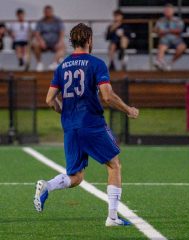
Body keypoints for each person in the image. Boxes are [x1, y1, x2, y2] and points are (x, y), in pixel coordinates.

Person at [33, 23, 139, 227]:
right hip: (91, 123)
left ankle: (48, 186)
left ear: (72, 41)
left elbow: (49, 100)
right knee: (114, 165)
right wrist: (129, 110)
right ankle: (113, 217)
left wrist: (62, 110)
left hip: (70, 126)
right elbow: (107, 96)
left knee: (77, 176)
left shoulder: (62, 66)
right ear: (89, 40)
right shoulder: (96, 63)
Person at [154, 4, 186, 71]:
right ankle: (159, 62)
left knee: (182, 47)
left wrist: (166, 31)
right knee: (162, 46)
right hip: (165, 39)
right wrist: (168, 31)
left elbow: (179, 30)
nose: (168, 12)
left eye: (169, 10)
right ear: (164, 12)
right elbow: (157, 30)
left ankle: (169, 63)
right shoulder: (160, 20)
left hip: (176, 39)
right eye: (166, 10)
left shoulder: (177, 20)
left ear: (173, 11)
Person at [33, 5, 65, 71]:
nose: (47, 13)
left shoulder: (58, 20)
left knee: (62, 46)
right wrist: (41, 41)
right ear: (44, 12)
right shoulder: (40, 21)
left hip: (55, 42)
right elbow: (37, 33)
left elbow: (62, 32)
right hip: (44, 43)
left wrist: (60, 42)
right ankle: (39, 63)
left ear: (52, 12)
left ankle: (54, 63)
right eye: (46, 12)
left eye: (49, 12)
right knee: (35, 44)